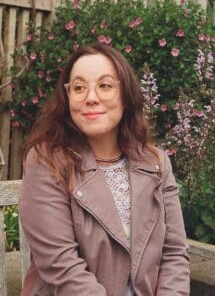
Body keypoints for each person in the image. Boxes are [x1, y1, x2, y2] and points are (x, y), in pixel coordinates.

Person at [19, 43, 190, 296]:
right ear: (67, 99)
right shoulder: (46, 162)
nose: (90, 97)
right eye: (78, 88)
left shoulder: (156, 163)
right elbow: (63, 268)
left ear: (126, 95)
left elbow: (174, 254)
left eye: (105, 85)